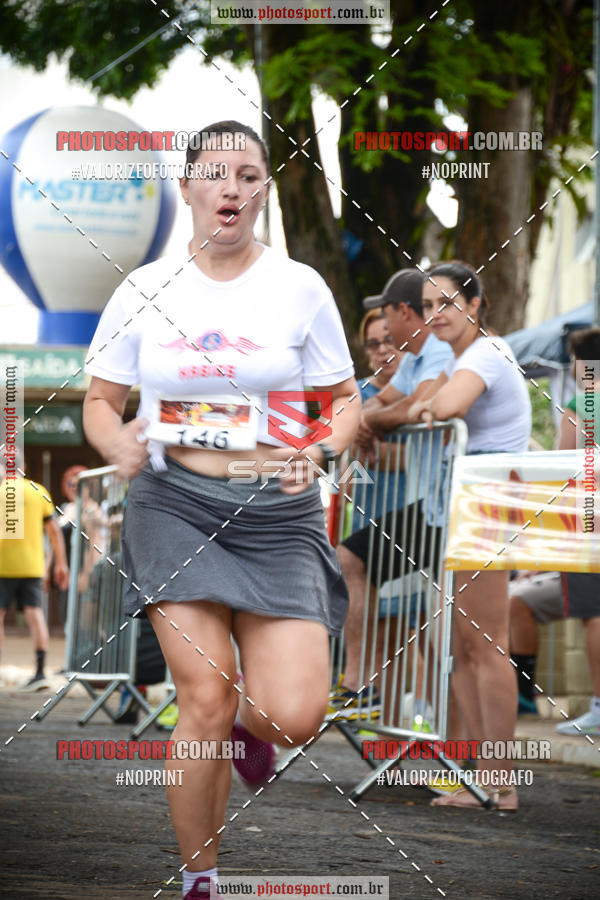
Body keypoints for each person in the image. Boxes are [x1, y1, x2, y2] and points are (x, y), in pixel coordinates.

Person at [82, 120, 360, 899]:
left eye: (248, 174)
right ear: (189, 188)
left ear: (263, 190)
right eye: (215, 173)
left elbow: (345, 400)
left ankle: (248, 727)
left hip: (277, 512)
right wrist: (117, 442)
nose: (231, 187)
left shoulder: (300, 286)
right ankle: (201, 879)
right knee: (204, 693)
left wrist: (319, 449)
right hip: (175, 502)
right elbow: (100, 402)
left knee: (295, 716)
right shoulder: (144, 287)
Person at [409, 260, 531, 810]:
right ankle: (480, 778)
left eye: (446, 303)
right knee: (462, 646)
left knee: (485, 644)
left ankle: (500, 783)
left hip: (490, 504)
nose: (435, 314)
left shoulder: (486, 353)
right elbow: (426, 404)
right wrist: (424, 404)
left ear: (475, 304)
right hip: (471, 503)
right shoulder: (465, 357)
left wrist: (427, 405)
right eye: (427, 305)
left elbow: (446, 406)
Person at [330, 269, 452, 721]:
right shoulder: (402, 369)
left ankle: (430, 726)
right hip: (412, 508)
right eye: (373, 344)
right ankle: (369, 698)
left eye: (387, 336)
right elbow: (358, 458)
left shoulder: (436, 352)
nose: (383, 349)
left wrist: (372, 427)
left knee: (433, 633)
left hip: (442, 508)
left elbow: (414, 413)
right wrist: (367, 427)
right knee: (389, 619)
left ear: (402, 314)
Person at [553, 327, 600, 736]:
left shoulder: (581, 404)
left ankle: (599, 707)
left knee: (594, 615)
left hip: (589, 520)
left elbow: (563, 465)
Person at [0, 451, 69, 690]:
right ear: (24, 467)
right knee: (35, 614)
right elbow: (54, 530)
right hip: (32, 565)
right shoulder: (38, 490)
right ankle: (40, 672)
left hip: (3, 565)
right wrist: (61, 563)